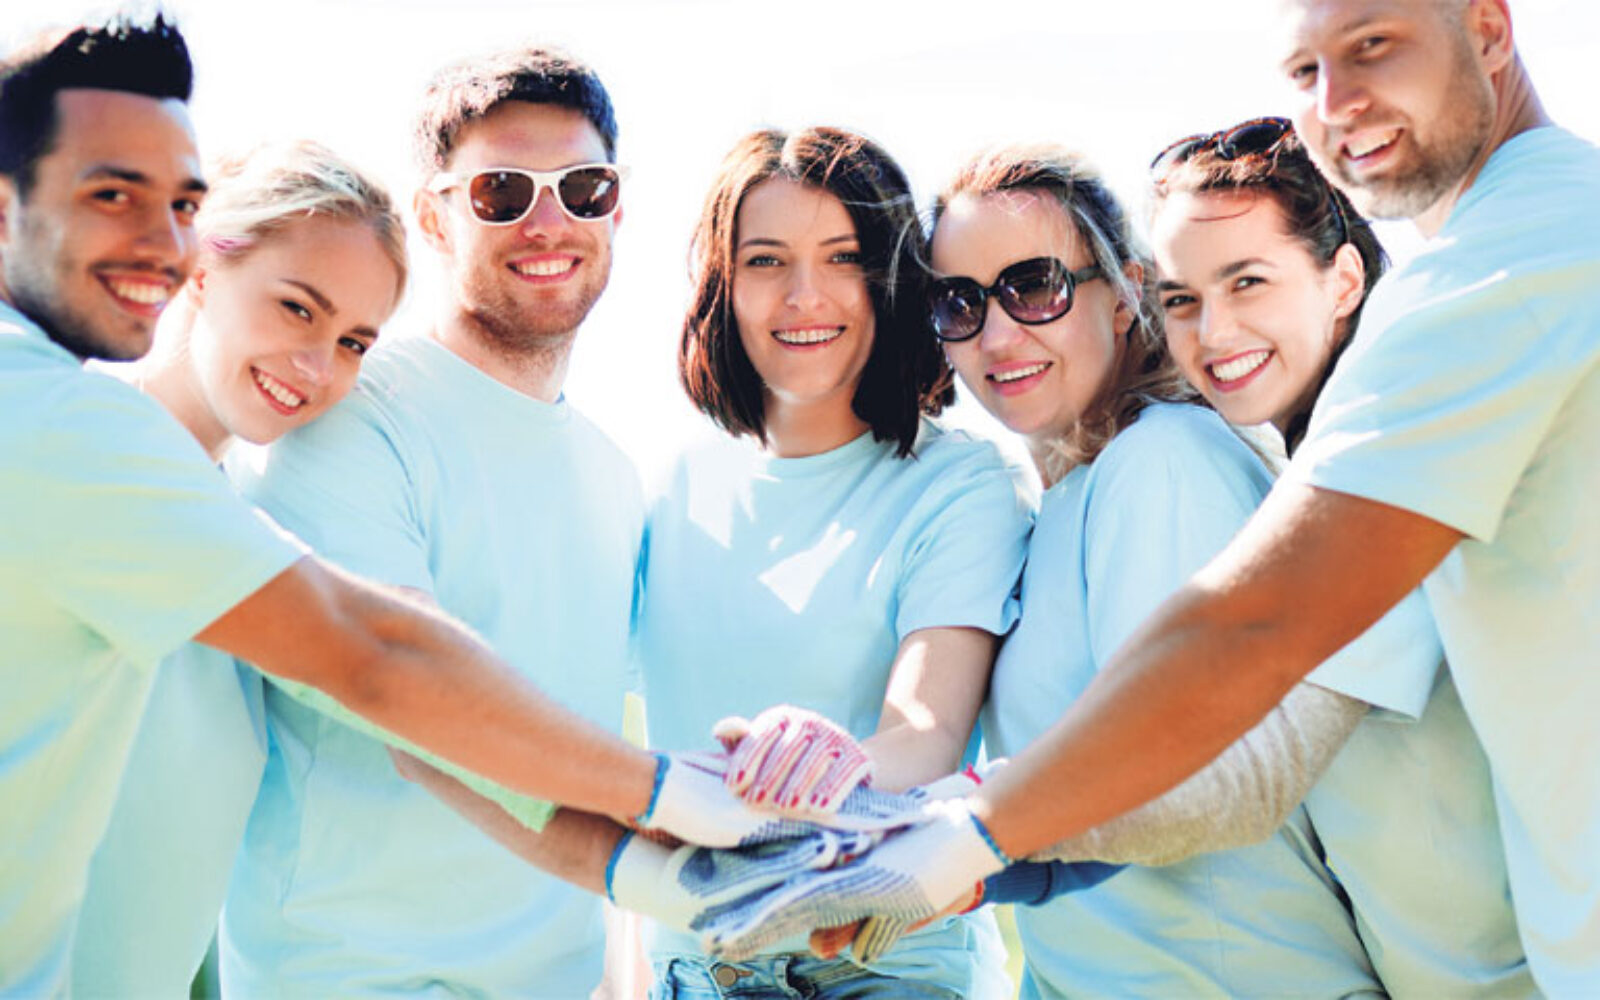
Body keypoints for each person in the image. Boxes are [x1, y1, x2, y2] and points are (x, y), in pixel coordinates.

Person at [703, 1, 1600, 994]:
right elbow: (1264, 749)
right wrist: (971, 859)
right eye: (1303, 71)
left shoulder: (1505, 269)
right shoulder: (1470, 286)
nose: (1335, 101)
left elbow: (1231, 682)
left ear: (1488, 28)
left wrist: (960, 831)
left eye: (1371, 45)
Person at [0, 17, 784, 996]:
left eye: (355, 340)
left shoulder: (202, 507)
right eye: (111, 194)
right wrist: (665, 799)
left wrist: (684, 865)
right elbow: (380, 663)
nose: (318, 367)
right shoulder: (68, 428)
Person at [215, 45, 644, 998]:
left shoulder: (617, 477)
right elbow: (408, 699)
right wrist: (666, 805)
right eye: (502, 191)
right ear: (434, 216)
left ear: (617, 209)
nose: (549, 221)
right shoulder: (345, 415)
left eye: (584, 188)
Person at [634, 126, 1029, 999]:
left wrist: (798, 768)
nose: (804, 295)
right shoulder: (672, 485)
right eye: (766, 261)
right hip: (689, 970)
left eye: (843, 258)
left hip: (882, 967)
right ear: (723, 286)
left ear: (892, 280)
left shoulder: (962, 482)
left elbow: (926, 737)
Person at [1146, 116, 1530, 996]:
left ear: (1344, 279)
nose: (1213, 331)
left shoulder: (1389, 463)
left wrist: (977, 837)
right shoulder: (1304, 477)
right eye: (1181, 299)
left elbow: (1252, 777)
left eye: (1248, 281)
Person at [69, 139, 408, 996]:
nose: (318, 367)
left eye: (353, 341)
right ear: (199, 269)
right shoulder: (77, 454)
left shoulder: (250, 538)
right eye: (297, 308)